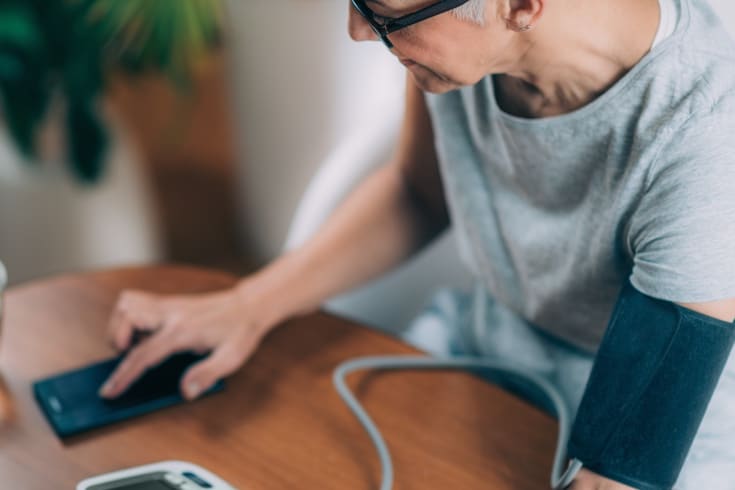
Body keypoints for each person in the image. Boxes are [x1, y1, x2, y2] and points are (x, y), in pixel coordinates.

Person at [99, 0, 735, 488]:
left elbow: (618, 470)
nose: (356, 28)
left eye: (384, 9)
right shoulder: (460, 53)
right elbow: (416, 193)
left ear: (520, 5)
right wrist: (245, 306)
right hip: (485, 351)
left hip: (669, 433)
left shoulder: (706, 139)